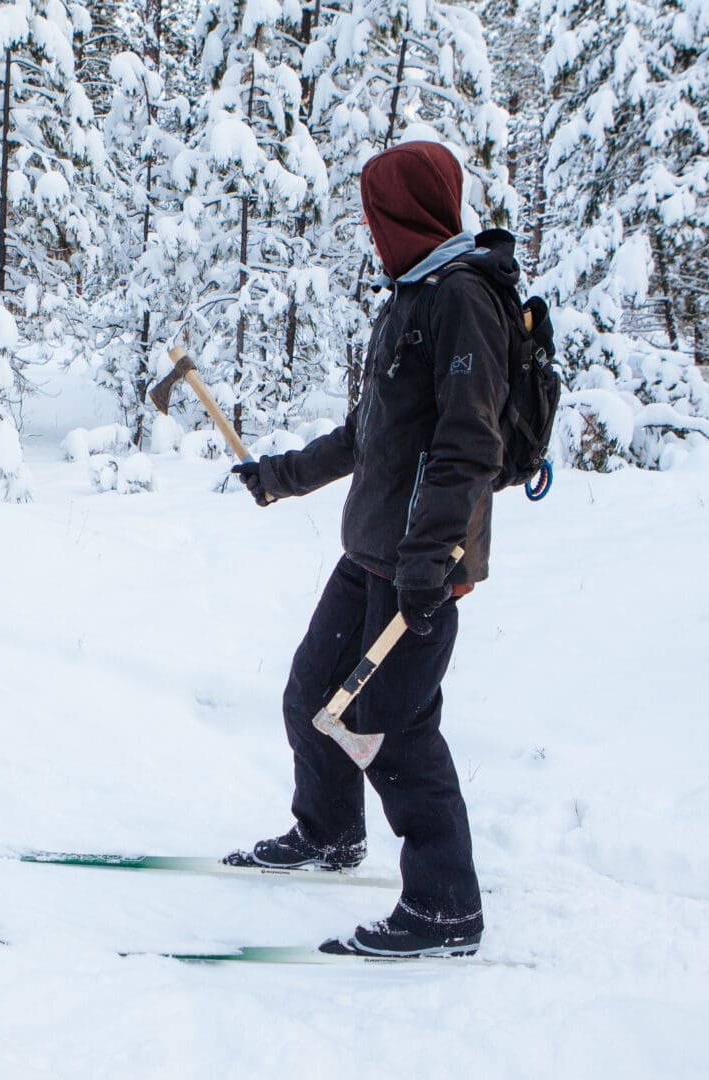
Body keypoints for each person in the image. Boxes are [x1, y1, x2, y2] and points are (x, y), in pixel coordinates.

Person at [223, 140, 520, 958]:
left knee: (393, 730)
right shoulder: (409, 296)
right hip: (370, 552)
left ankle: (444, 909)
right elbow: (370, 431)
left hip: (422, 566)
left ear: (407, 212)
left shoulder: (463, 299)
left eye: (374, 210)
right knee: (310, 694)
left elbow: (471, 444)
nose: (367, 225)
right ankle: (328, 835)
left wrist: (433, 557)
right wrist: (282, 476)